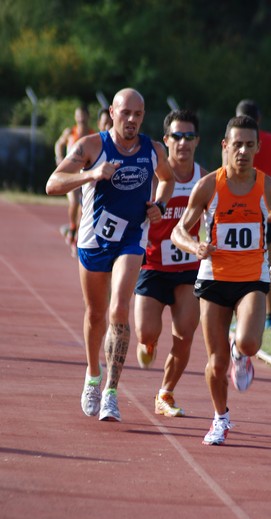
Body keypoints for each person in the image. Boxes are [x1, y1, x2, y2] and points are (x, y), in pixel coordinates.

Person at [46, 88, 175, 422]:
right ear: (113, 113)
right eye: (125, 113)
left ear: (143, 116)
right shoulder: (91, 145)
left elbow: (168, 179)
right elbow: (53, 183)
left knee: (119, 307)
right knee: (96, 314)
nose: (131, 120)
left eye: (138, 114)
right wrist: (91, 174)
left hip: (132, 236)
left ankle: (111, 393)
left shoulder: (153, 149)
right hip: (94, 240)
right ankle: (92, 376)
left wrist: (159, 205)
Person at [171, 115, 271, 445]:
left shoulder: (269, 187)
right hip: (213, 278)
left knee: (249, 342)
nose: (242, 151)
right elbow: (178, 229)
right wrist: (195, 245)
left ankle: (242, 354)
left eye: (249, 145)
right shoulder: (209, 185)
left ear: (257, 148)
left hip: (252, 276)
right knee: (215, 361)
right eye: (236, 144)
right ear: (225, 146)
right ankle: (220, 418)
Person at [134, 109, 208, 417]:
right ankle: (149, 343)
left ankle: (165, 394)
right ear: (166, 141)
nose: (183, 142)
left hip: (188, 267)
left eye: (189, 136)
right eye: (176, 136)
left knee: (185, 332)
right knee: (146, 333)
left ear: (197, 141)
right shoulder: (153, 178)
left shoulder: (204, 177)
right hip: (152, 264)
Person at [235, 99, 271, 330]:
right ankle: (270, 314)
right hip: (269, 210)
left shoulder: (234, 142)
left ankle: (240, 311)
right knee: (267, 261)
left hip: (239, 209)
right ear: (259, 119)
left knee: (240, 260)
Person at [54, 105, 95, 257]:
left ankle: (75, 232)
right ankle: (72, 226)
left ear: (87, 116)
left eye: (83, 115)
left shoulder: (92, 135)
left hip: (84, 175)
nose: (80, 119)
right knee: (74, 202)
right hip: (71, 174)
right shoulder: (70, 132)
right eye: (78, 116)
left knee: (84, 207)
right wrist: (59, 157)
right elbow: (59, 144)